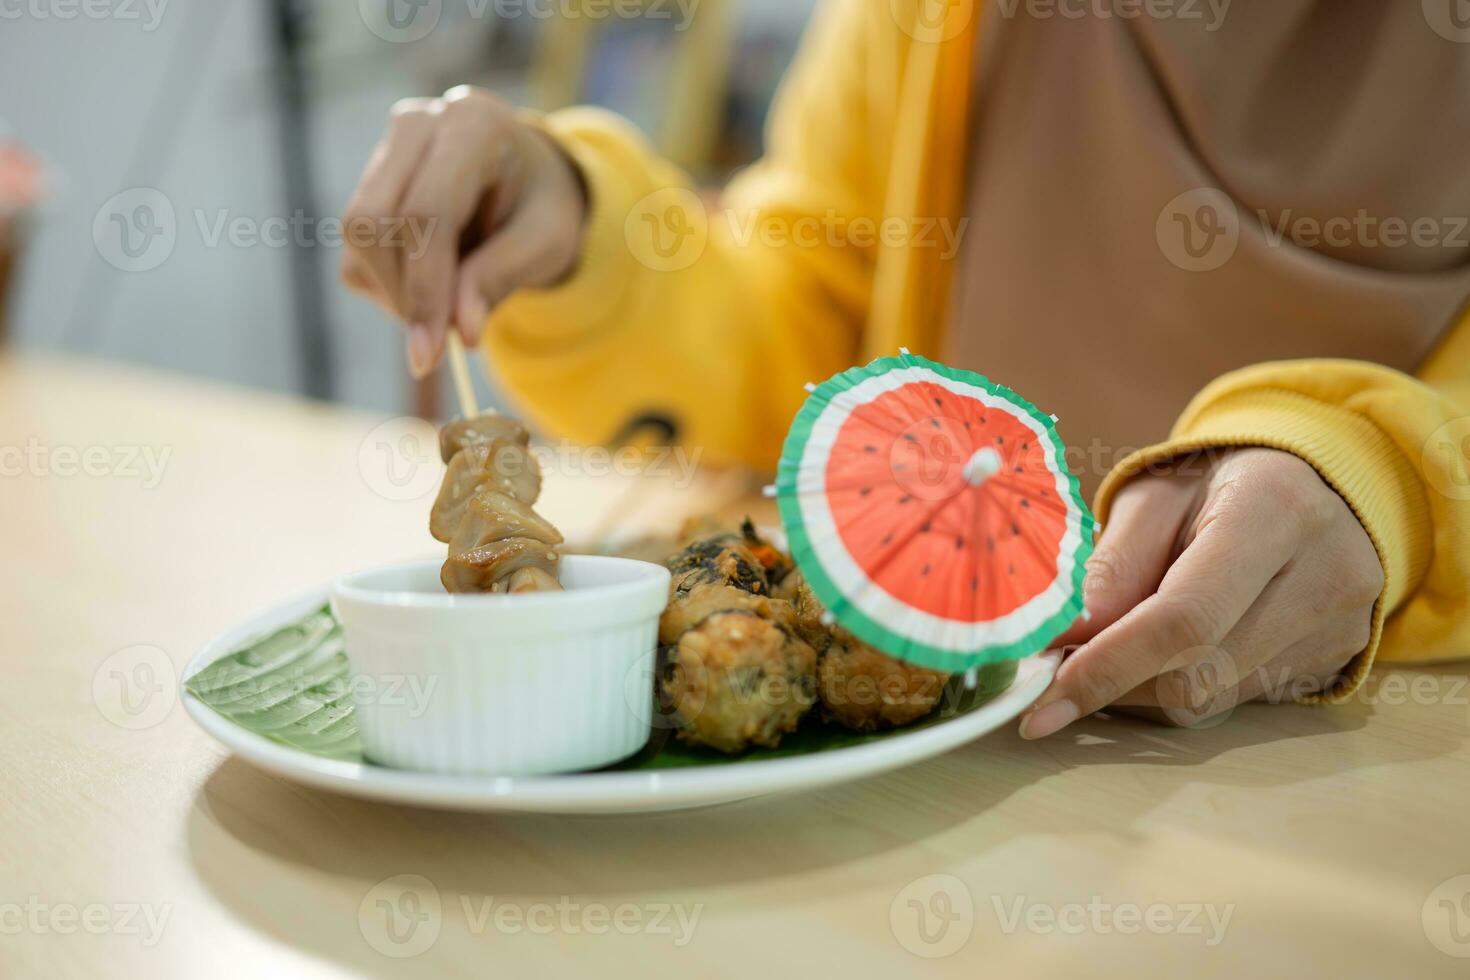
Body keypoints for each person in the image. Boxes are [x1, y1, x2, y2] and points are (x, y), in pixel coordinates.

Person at [340, 1, 1470, 738]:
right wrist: (585, 233)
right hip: (946, 793)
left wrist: (1385, 477)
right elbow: (806, 326)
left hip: (1350, 767)